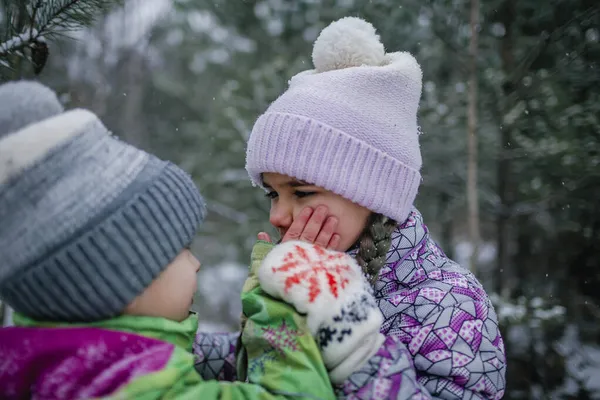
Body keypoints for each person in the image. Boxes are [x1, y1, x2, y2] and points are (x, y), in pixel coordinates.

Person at [0, 81, 387, 399]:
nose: (196, 262)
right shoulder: (135, 388)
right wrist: (280, 305)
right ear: (120, 282)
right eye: (180, 249)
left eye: (301, 192)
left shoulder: (48, 365)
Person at [195, 17, 506, 399]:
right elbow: (250, 368)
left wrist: (347, 334)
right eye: (272, 194)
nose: (277, 216)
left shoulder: (449, 303)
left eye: (302, 192)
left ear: (371, 194)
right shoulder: (300, 271)